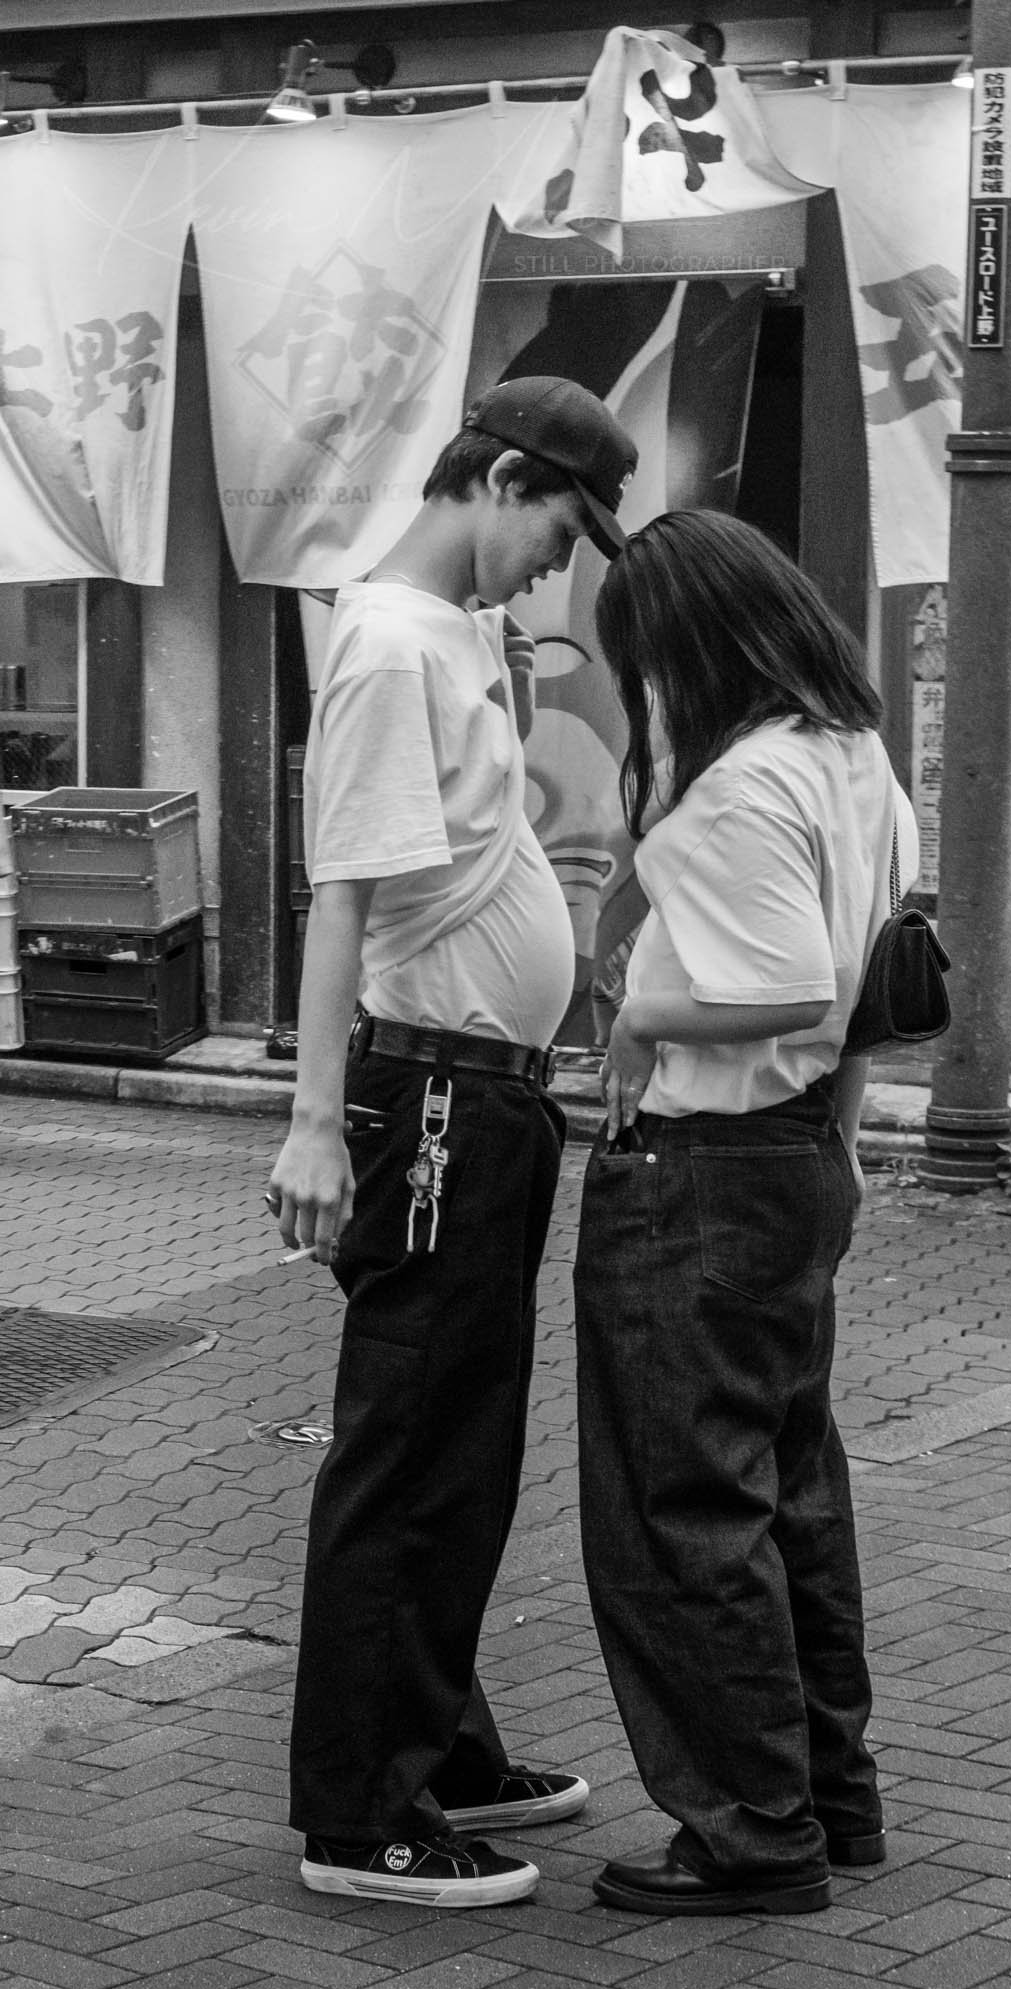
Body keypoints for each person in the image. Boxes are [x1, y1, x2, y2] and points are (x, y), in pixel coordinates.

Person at [267, 376, 637, 1909]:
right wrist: (307, 1121)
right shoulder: (389, 645)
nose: (559, 563)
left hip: (474, 1097)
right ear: (492, 480)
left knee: (463, 1441)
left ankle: (440, 1742)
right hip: (422, 1099)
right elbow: (342, 890)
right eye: (555, 526)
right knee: (415, 1445)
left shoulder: (454, 639)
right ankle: (364, 1811)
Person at [574, 508, 919, 1916]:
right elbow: (870, 1001)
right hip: (791, 1161)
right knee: (790, 1492)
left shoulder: (734, 789)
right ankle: (831, 1799)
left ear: (684, 649)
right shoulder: (857, 764)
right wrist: (836, 1153)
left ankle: (750, 1830)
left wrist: (634, 1012)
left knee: (683, 1505)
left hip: (699, 1171)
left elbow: (790, 986)